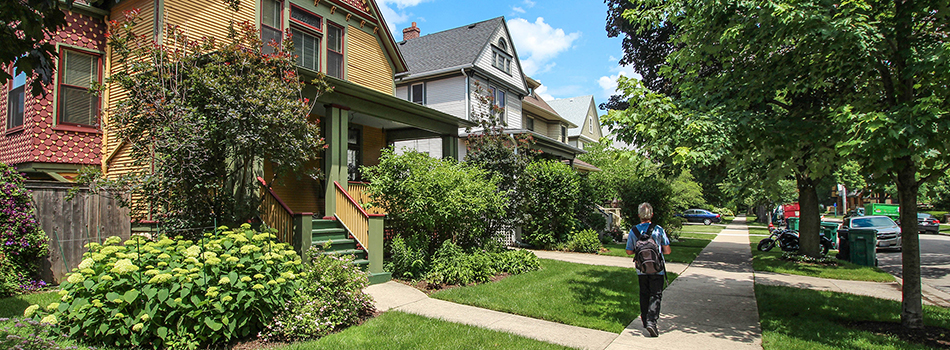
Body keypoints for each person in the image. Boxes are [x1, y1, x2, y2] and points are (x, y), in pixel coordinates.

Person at [626, 202, 671, 337]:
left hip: (642, 269)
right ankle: (652, 321)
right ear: (651, 214)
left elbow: (629, 251)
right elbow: (667, 251)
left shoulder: (634, 231)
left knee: (644, 293)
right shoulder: (658, 230)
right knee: (656, 294)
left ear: (639, 215)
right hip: (657, 269)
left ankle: (645, 320)